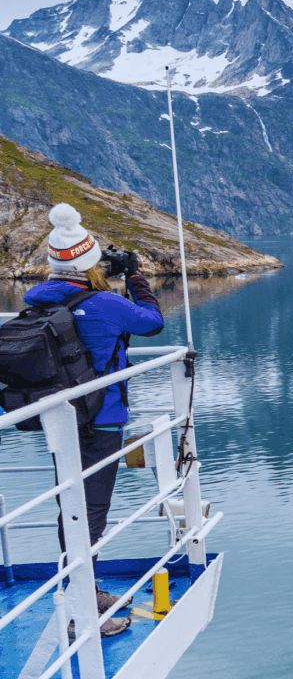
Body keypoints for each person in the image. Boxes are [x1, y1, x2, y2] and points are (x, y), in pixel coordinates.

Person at [25, 202, 165, 637]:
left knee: (72, 506)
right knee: (92, 512)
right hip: (101, 419)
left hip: (57, 418)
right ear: (89, 263)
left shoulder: (37, 301)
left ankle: (83, 588)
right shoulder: (105, 302)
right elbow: (152, 323)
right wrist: (135, 278)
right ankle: (81, 613)